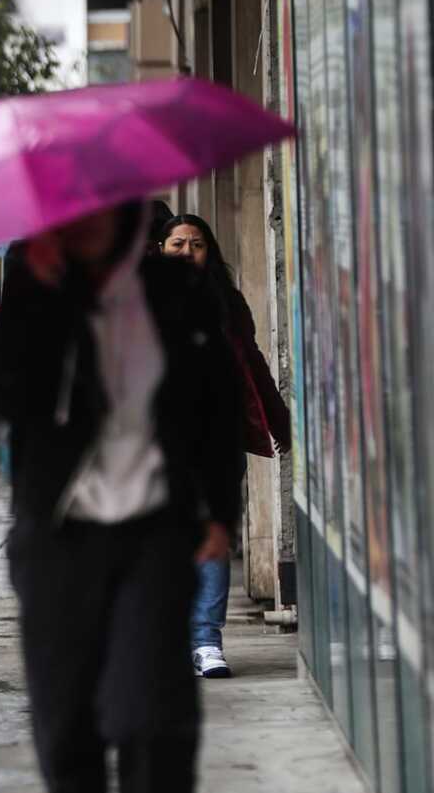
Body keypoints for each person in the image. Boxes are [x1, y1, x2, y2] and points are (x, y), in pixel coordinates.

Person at [0, 201, 243, 793]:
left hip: (155, 527)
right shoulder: (35, 283)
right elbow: (9, 401)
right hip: (60, 534)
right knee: (67, 715)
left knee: (154, 712)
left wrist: (221, 513)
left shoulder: (177, 289)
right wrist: (32, 310)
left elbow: (217, 405)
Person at [160, 213, 291, 678]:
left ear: (209, 252)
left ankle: (205, 641)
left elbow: (251, 363)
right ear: (161, 250)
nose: (186, 252)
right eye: (177, 244)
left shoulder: (227, 305)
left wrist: (278, 420)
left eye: (195, 244)